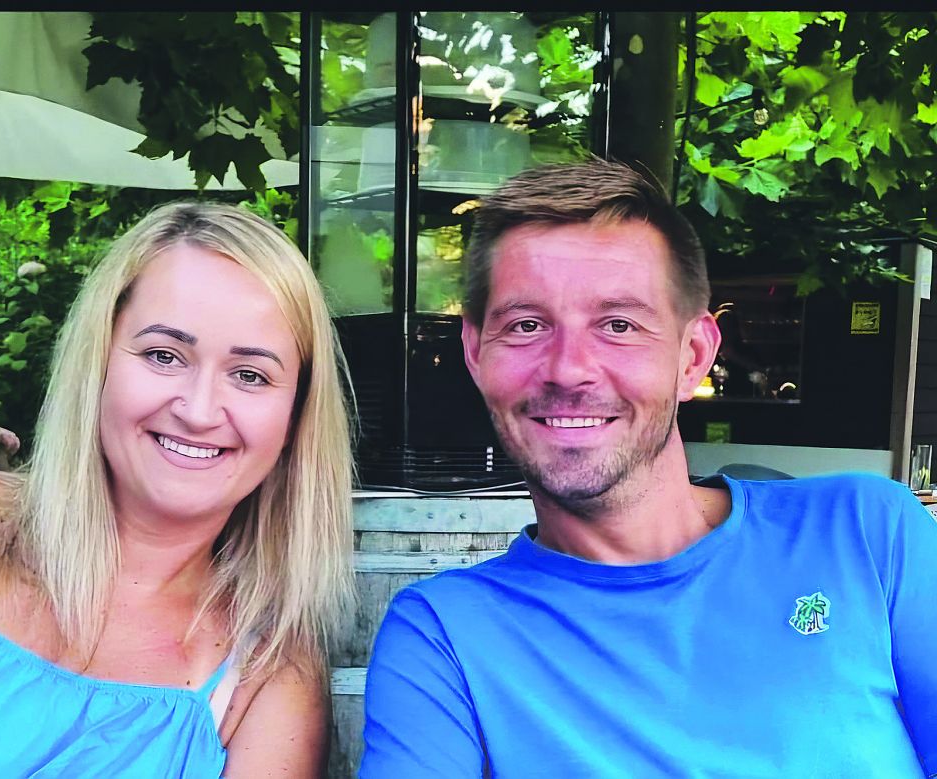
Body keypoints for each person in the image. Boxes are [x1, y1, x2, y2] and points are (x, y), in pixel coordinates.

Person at [361, 159, 937, 777]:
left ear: (693, 357)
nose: (568, 369)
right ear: (476, 354)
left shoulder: (867, 533)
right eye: (526, 326)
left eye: (618, 325)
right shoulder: (445, 638)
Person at [0, 202, 354, 777]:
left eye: (250, 375)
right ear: (97, 361)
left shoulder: (268, 678)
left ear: (295, 417)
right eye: (163, 355)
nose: (199, 411)